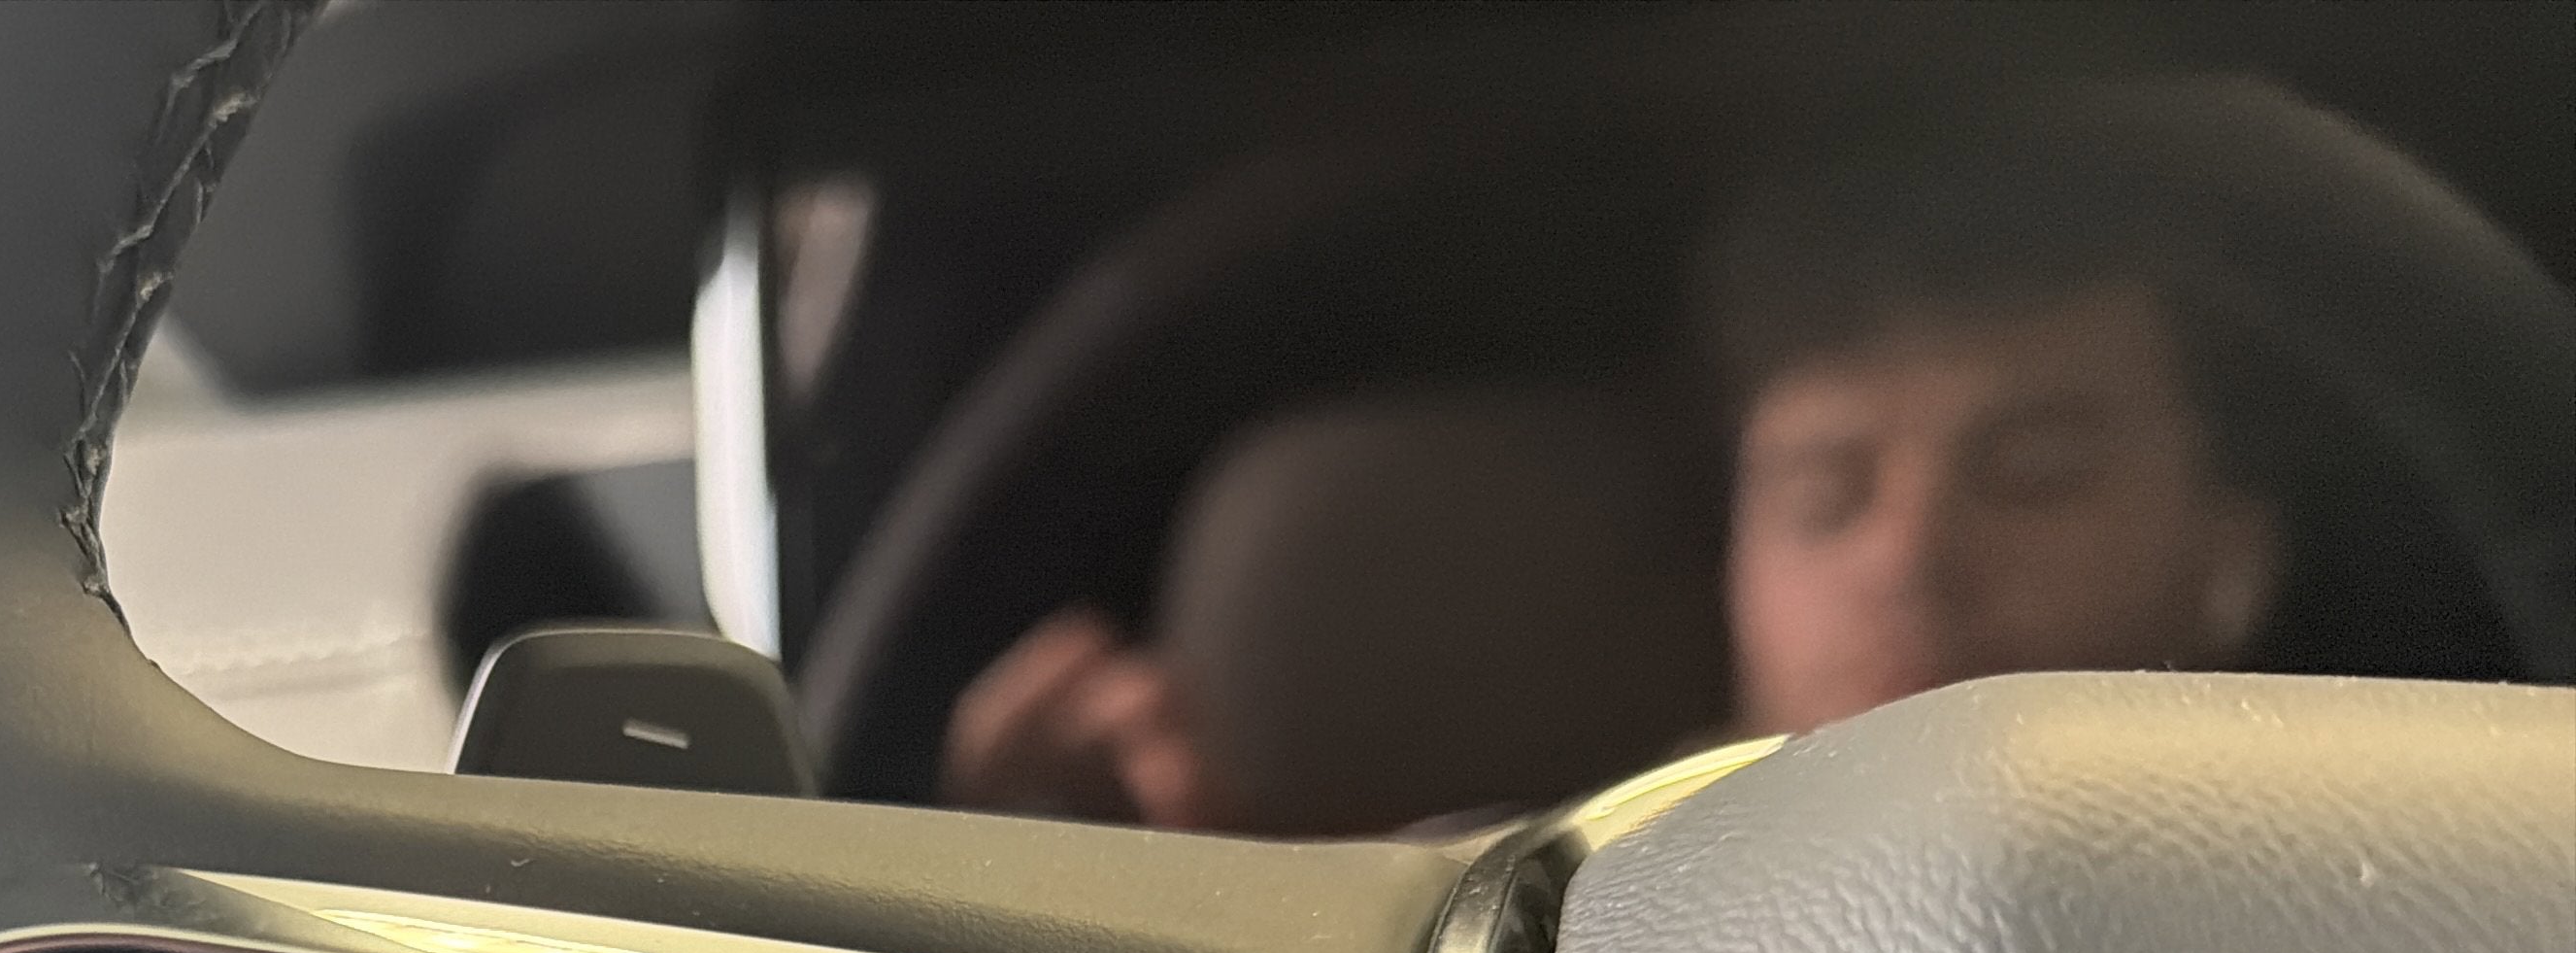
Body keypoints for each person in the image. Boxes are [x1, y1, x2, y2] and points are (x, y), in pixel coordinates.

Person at [942, 129, 2290, 826]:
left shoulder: (2380, 911)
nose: (1908, 557)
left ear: (2229, 559)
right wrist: (1050, 904)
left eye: (2037, 476)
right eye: (1824, 499)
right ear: (1734, 567)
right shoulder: (1493, 923)